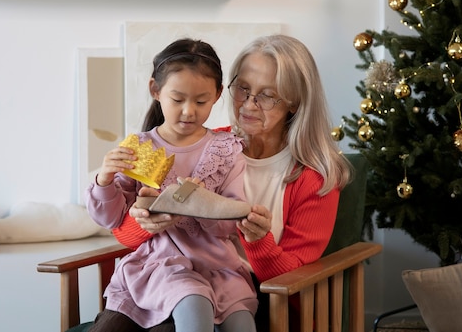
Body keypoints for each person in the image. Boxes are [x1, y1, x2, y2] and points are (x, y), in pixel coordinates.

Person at [115, 34, 352, 330]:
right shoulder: (213, 147)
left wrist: (258, 241)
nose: (249, 104)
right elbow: (124, 235)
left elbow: (291, 276)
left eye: (267, 95)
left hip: (263, 298)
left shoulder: (314, 177)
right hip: (185, 281)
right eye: (243, 88)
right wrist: (146, 222)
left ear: (294, 103)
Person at [83, 38, 258, 332]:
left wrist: (200, 203)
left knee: (241, 321)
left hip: (217, 267)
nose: (189, 111)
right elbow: (110, 219)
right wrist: (105, 179)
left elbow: (229, 222)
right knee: (193, 299)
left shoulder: (226, 150)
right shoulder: (138, 148)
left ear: (217, 95)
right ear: (156, 90)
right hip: (157, 265)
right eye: (178, 100)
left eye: (201, 101)